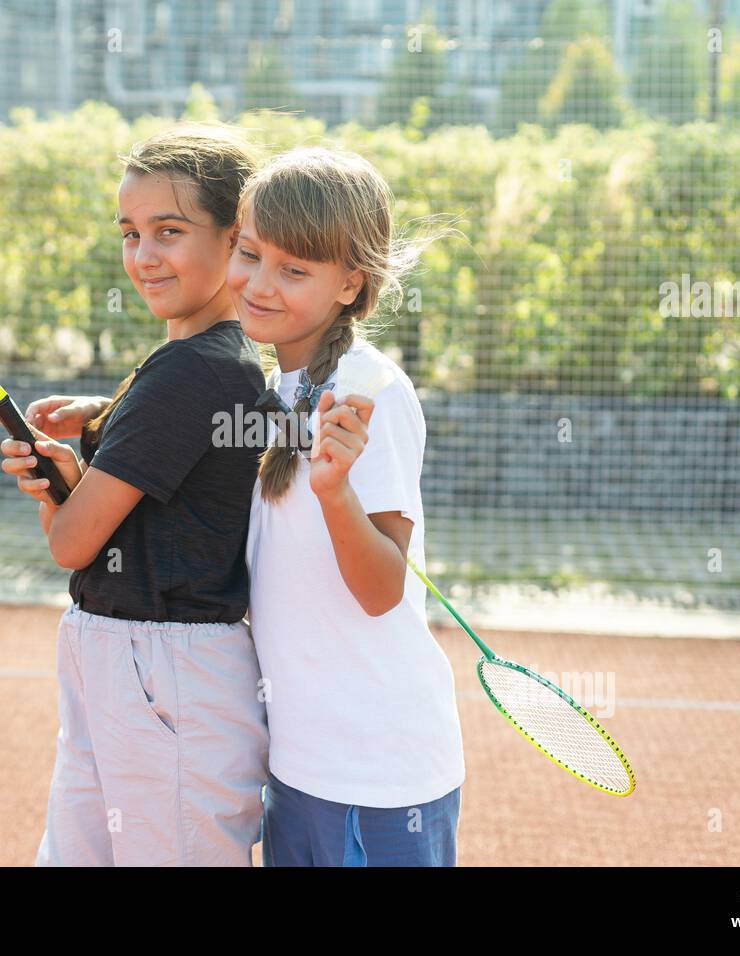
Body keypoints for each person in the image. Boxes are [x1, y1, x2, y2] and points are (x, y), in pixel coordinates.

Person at [0, 124, 269, 866]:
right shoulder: (208, 362)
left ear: (236, 237)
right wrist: (103, 417)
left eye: (169, 232)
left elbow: (73, 543)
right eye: (130, 233)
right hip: (133, 663)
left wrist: (60, 486)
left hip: (162, 670)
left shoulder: (190, 374)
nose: (143, 257)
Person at [229, 146, 467, 866]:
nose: (260, 284)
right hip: (299, 767)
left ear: (350, 283)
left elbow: (380, 588)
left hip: (380, 779)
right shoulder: (279, 388)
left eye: (294, 269)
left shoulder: (372, 390)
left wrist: (334, 494)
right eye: (249, 253)